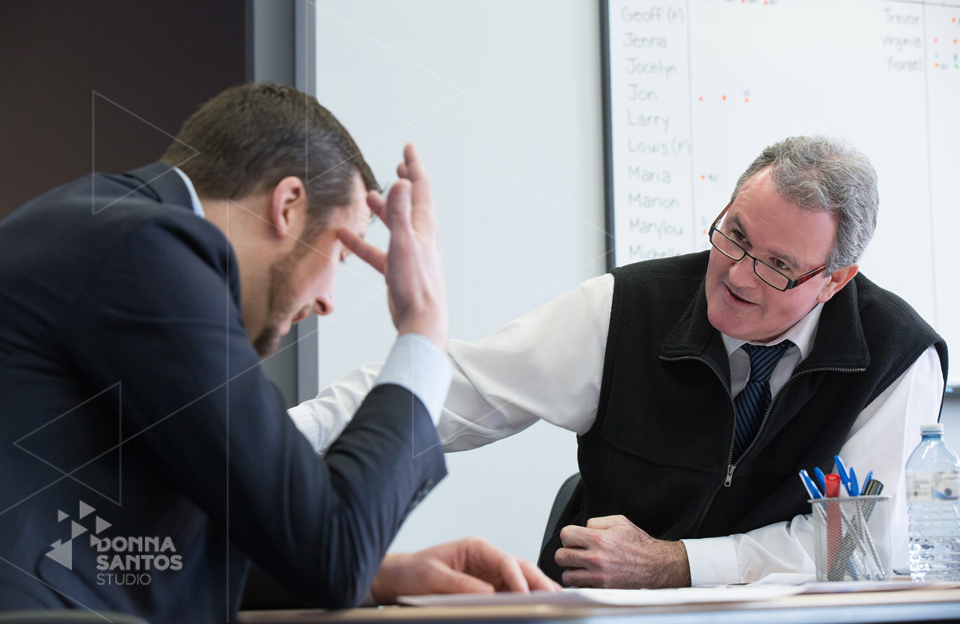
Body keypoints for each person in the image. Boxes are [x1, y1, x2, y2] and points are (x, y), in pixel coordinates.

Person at [0, 83, 556, 620]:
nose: (328, 302)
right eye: (341, 256)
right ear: (288, 205)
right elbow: (331, 551)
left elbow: (151, 559)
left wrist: (387, 575)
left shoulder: (104, 228)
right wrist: (424, 333)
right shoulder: (149, 251)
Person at [291, 136, 949, 587]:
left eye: (778, 266)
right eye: (736, 237)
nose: (740, 277)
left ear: (835, 281)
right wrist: (265, 441)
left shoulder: (896, 360)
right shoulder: (630, 307)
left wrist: (676, 564)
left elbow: (850, 554)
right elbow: (452, 390)